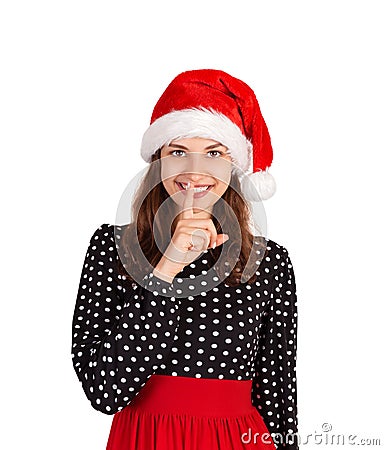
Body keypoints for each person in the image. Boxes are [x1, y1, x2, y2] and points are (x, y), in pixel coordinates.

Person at [71, 69, 299, 450]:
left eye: (214, 152)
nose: (196, 171)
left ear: (234, 165)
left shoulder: (269, 261)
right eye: (178, 152)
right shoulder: (112, 249)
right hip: (146, 440)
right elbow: (105, 391)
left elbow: (277, 391)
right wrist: (168, 266)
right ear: (158, 161)